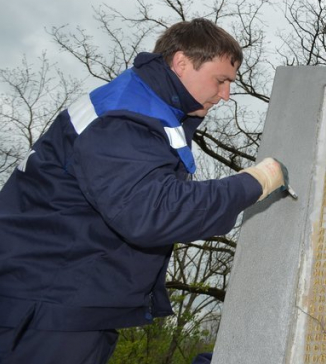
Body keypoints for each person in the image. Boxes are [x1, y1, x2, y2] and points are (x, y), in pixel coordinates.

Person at [0, 19, 287, 364]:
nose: (226, 95)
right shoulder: (126, 117)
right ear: (181, 62)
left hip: (61, 303)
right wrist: (256, 181)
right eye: (221, 80)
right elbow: (154, 212)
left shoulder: (143, 110)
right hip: (44, 311)